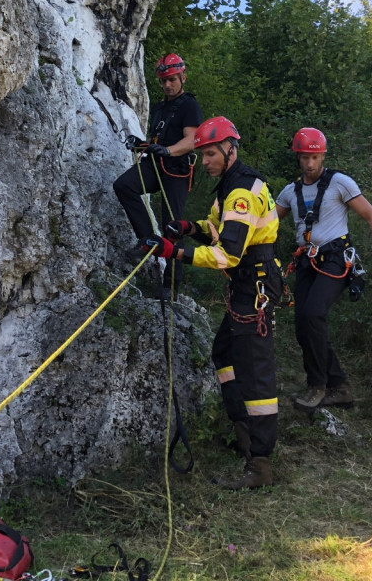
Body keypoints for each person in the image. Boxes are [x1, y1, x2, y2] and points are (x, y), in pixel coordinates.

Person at [143, 116, 283, 489]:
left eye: (208, 155)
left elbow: (227, 255)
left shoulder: (240, 191)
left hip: (253, 284)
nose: (203, 162)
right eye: (202, 155)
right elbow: (220, 226)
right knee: (224, 353)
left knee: (256, 375)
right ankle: (244, 432)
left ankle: (261, 464)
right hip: (247, 286)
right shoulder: (232, 185)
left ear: (229, 151)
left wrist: (177, 253)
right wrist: (190, 228)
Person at [275, 127, 372, 412]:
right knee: (303, 326)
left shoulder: (339, 183)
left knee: (313, 314)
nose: (311, 163)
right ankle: (340, 387)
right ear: (298, 157)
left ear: (323, 155)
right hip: (307, 260)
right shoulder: (289, 192)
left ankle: (317, 386)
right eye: (306, 157)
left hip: (335, 258)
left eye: (316, 156)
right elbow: (267, 225)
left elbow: (370, 215)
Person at [113, 53, 203, 297]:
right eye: (164, 81)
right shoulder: (161, 107)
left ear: (182, 77)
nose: (167, 85)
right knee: (123, 186)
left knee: (172, 226)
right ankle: (148, 240)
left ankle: (171, 286)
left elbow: (192, 140)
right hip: (156, 164)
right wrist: (143, 144)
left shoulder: (189, 106)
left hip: (177, 170)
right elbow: (158, 139)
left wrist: (167, 150)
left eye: (172, 79)